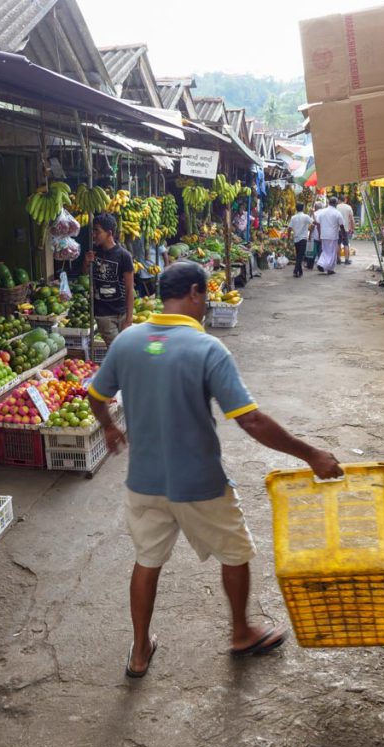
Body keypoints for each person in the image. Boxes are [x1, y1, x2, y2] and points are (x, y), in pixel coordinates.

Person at [87, 261, 343, 678]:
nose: (206, 305)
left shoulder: (128, 342)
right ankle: (241, 631)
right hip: (199, 482)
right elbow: (251, 420)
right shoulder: (208, 349)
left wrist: (110, 429)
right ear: (194, 293)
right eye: (205, 296)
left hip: (144, 482)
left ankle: (139, 651)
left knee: (147, 561)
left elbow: (97, 395)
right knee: (236, 552)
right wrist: (311, 454)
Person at [84, 213, 134, 348]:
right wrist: (86, 263)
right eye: (93, 230)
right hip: (103, 314)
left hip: (122, 312)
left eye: (97, 231)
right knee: (116, 350)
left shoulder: (124, 256)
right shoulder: (94, 252)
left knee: (124, 350)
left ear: (109, 233)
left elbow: (130, 289)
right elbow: (85, 275)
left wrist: (129, 319)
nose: (93, 234)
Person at [314, 197, 345, 275]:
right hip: (333, 236)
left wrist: (319, 234)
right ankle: (327, 267)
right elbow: (341, 225)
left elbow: (317, 223)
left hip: (324, 235)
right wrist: (344, 234)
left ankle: (323, 264)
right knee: (332, 252)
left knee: (325, 251)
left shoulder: (322, 212)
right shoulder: (337, 213)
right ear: (335, 204)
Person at [286, 203, 313, 278]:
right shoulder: (306, 217)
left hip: (296, 239)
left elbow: (289, 228)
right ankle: (296, 270)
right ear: (303, 208)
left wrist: (288, 238)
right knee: (300, 256)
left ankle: (299, 271)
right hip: (303, 238)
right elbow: (313, 223)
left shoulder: (293, 217)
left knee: (299, 255)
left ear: (296, 208)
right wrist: (310, 230)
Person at [336, 195, 356, 265]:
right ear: (345, 200)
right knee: (346, 244)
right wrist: (352, 228)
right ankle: (346, 260)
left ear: (339, 200)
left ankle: (338, 259)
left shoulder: (336, 207)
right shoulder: (348, 207)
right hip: (345, 229)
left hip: (337, 229)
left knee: (337, 244)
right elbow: (351, 219)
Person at [308, 200, 324, 270]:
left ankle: (310, 265)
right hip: (323, 235)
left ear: (315, 207)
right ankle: (321, 265)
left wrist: (310, 235)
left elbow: (312, 225)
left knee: (312, 251)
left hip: (315, 235)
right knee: (321, 250)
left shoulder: (315, 214)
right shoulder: (324, 213)